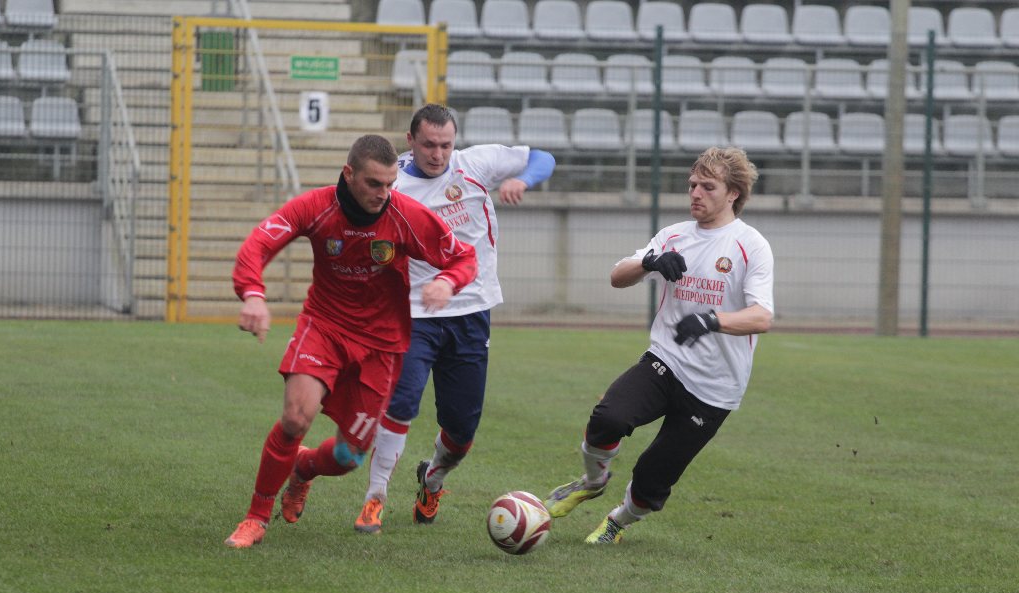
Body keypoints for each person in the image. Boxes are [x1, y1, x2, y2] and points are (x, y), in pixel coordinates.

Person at [281, 103, 555, 534]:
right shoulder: (394, 185)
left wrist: (523, 178)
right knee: (401, 405)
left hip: (472, 313)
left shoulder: (476, 164)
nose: (438, 153)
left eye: (446, 144)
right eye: (429, 144)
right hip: (413, 314)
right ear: (411, 141)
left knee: (461, 432)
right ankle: (375, 499)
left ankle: (433, 479)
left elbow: (544, 157)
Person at [224, 134, 477, 548]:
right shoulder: (316, 206)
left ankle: (303, 468)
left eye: (391, 184)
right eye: (374, 184)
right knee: (294, 418)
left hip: (382, 346)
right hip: (324, 327)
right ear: (349, 174)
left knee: (348, 457)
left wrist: (448, 282)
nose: (384, 194)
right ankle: (256, 517)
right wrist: (252, 293)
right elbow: (259, 243)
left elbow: (462, 256)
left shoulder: (405, 215)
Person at [545, 146, 774, 544]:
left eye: (707, 186)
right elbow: (617, 276)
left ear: (733, 192)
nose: (695, 193)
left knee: (653, 477)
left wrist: (711, 320)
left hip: (716, 388)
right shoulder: (673, 236)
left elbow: (762, 317)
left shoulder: (750, 245)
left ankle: (617, 521)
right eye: (692, 185)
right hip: (666, 360)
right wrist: (650, 261)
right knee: (609, 418)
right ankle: (592, 481)